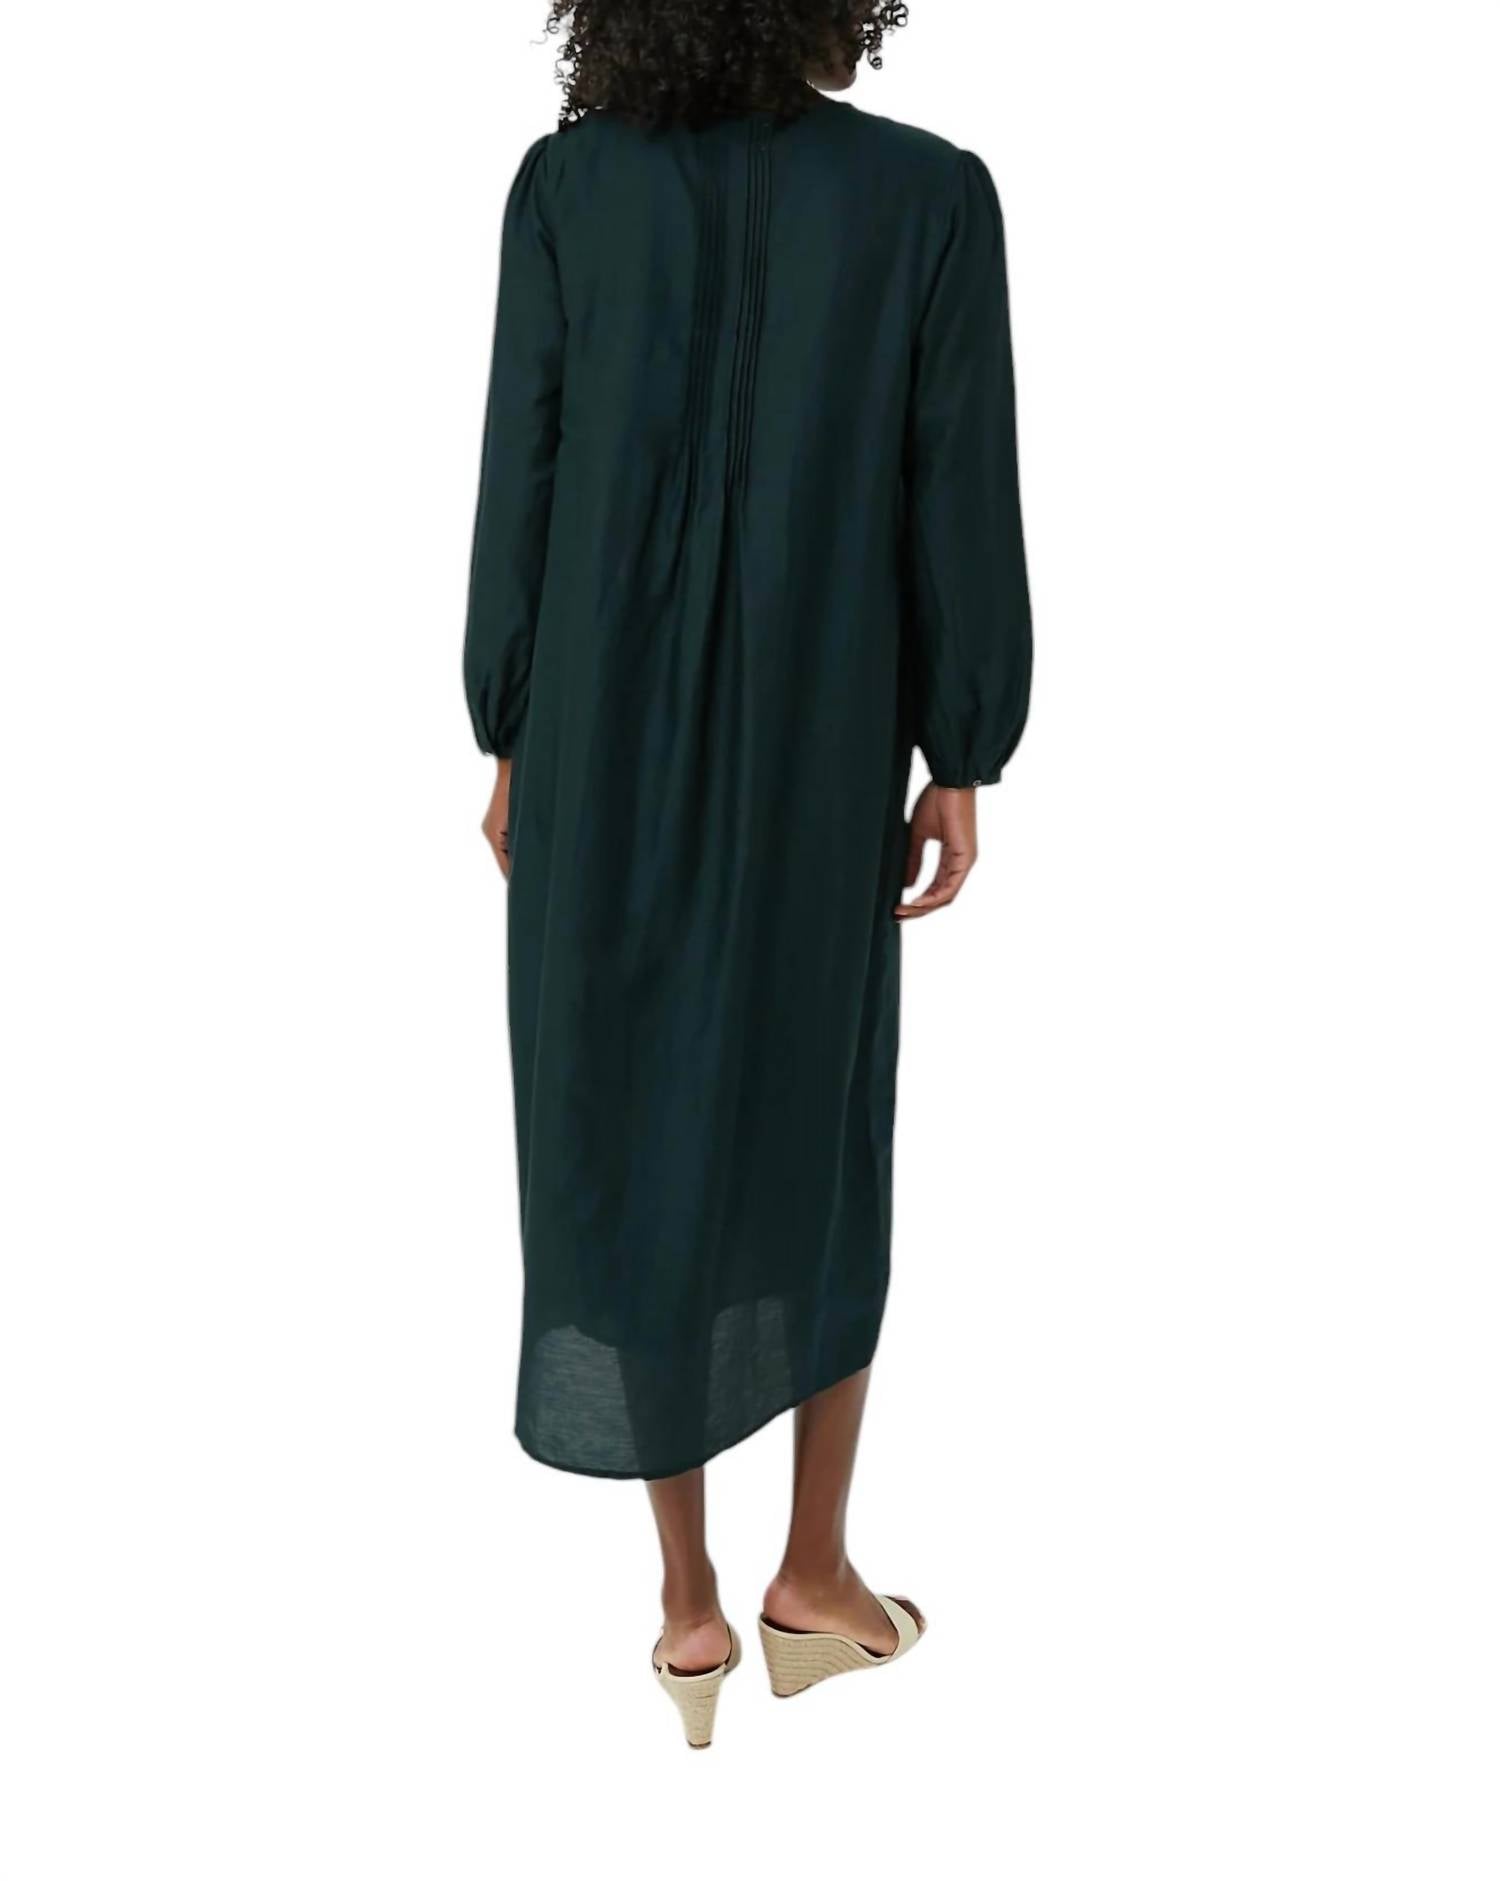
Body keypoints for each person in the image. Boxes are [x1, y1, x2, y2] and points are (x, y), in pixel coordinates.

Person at [463, 0, 1031, 1746]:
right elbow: (956, 487)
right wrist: (961, 749)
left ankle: (690, 1608)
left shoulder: (567, 190)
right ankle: (816, 1572)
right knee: (816, 1118)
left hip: (596, 733)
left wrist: (511, 724)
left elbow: (521, 471)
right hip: (819, 730)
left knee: (622, 1118)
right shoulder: (929, 195)